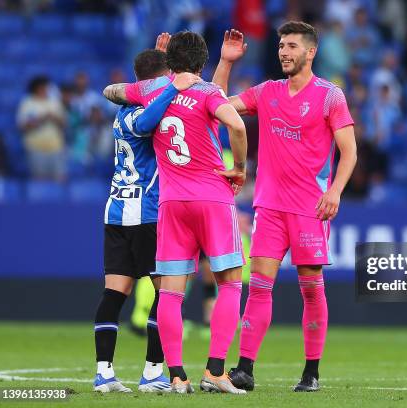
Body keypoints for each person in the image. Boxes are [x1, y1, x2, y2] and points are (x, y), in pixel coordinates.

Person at [212, 23, 357, 392]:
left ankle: (311, 373)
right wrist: (226, 63)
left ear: (311, 53)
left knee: (311, 290)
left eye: (292, 46)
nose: (283, 52)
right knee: (259, 287)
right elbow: (216, 107)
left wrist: (336, 191)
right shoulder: (267, 92)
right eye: (280, 46)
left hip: (311, 208)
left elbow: (349, 151)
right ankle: (244, 369)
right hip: (270, 208)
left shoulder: (330, 96)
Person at [103, 30, 249, 394]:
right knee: (230, 284)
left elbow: (111, 92)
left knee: (169, 294)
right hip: (213, 197)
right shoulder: (207, 93)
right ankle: (215, 371)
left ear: (170, 62)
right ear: (201, 64)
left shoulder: (153, 91)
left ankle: (177, 376)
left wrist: (163, 77)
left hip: (171, 204)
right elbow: (234, 122)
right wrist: (240, 167)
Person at [94, 46, 200, 393]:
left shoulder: (122, 108)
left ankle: (104, 374)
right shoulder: (138, 114)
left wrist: (166, 62)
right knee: (164, 294)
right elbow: (146, 122)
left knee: (115, 294)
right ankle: (153, 373)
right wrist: (174, 85)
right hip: (148, 214)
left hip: (117, 212)